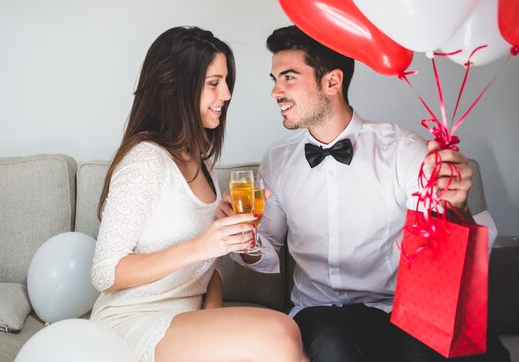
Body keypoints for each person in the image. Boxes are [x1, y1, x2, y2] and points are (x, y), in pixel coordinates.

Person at [218, 25, 509, 362]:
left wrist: (455, 205)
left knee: (446, 352)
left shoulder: (401, 151)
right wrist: (246, 239)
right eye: (275, 80)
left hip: (394, 310)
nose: (276, 92)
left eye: (288, 77)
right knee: (332, 348)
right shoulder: (278, 160)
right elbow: (267, 254)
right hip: (318, 311)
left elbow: (443, 241)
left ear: (332, 82)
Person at [89, 26, 307, 362]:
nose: (227, 94)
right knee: (280, 334)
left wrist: (212, 315)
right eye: (213, 83)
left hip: (186, 321)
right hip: (133, 322)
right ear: (178, 88)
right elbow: (105, 273)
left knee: (288, 333)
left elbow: (210, 269)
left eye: (226, 81)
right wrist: (200, 245)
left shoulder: (200, 161)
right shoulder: (146, 160)